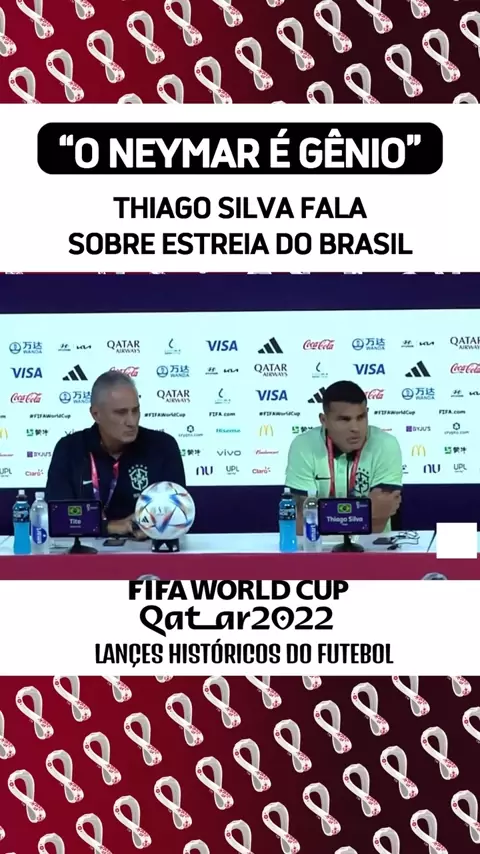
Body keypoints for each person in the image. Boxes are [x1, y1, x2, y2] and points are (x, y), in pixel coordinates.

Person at [45, 370, 186, 538]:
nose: (131, 421)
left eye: (135, 411)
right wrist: (112, 527)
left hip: (147, 548)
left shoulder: (162, 446)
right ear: (96, 414)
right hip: (86, 550)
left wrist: (153, 527)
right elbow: (59, 519)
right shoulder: (70, 449)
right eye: (121, 412)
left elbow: (178, 514)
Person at [285, 380, 402, 534]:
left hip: (371, 545)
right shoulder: (303, 445)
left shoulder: (386, 444)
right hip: (317, 546)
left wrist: (324, 516)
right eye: (344, 419)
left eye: (361, 417)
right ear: (324, 420)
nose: (355, 428)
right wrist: (364, 513)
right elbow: (301, 523)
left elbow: (379, 521)